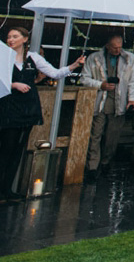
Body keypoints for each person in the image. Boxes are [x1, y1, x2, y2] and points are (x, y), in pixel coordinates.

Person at [0, 27, 84, 201]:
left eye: (15, 36)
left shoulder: (33, 58)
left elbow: (54, 73)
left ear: (24, 39)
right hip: (9, 106)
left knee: (19, 149)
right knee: (6, 148)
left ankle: (7, 189)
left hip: (27, 107)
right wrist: (14, 84)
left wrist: (73, 66)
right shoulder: (4, 58)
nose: (11, 40)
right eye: (9, 37)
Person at [79, 34, 134, 181]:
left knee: (112, 137)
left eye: (120, 47)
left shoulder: (129, 58)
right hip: (99, 101)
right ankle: (92, 167)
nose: (117, 50)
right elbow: (84, 79)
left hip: (119, 102)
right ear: (107, 46)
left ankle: (106, 162)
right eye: (114, 47)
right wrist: (100, 85)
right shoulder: (94, 58)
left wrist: (132, 99)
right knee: (95, 135)